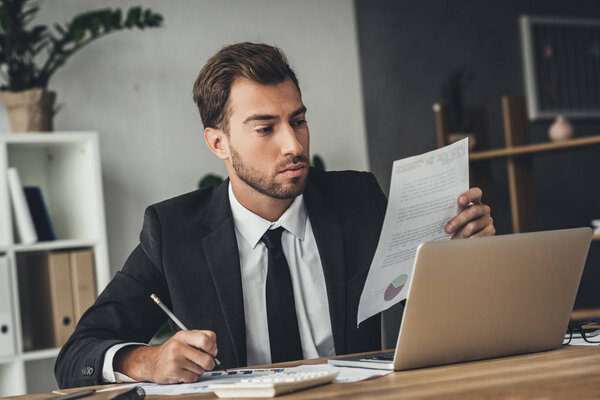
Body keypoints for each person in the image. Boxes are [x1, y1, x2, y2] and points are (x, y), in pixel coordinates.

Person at [55, 42, 495, 388]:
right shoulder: (173, 232)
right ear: (218, 143)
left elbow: (451, 314)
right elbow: (77, 354)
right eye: (265, 128)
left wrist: (470, 256)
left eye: (298, 121)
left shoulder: (357, 199)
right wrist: (146, 360)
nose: (293, 145)